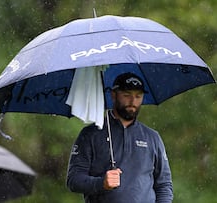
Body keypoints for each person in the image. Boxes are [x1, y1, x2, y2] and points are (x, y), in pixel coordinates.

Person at [66, 72, 173, 203]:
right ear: (113, 95)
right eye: (127, 95)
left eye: (138, 96)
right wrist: (101, 183)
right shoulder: (90, 134)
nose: (133, 101)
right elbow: (74, 180)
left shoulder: (152, 137)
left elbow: (164, 185)